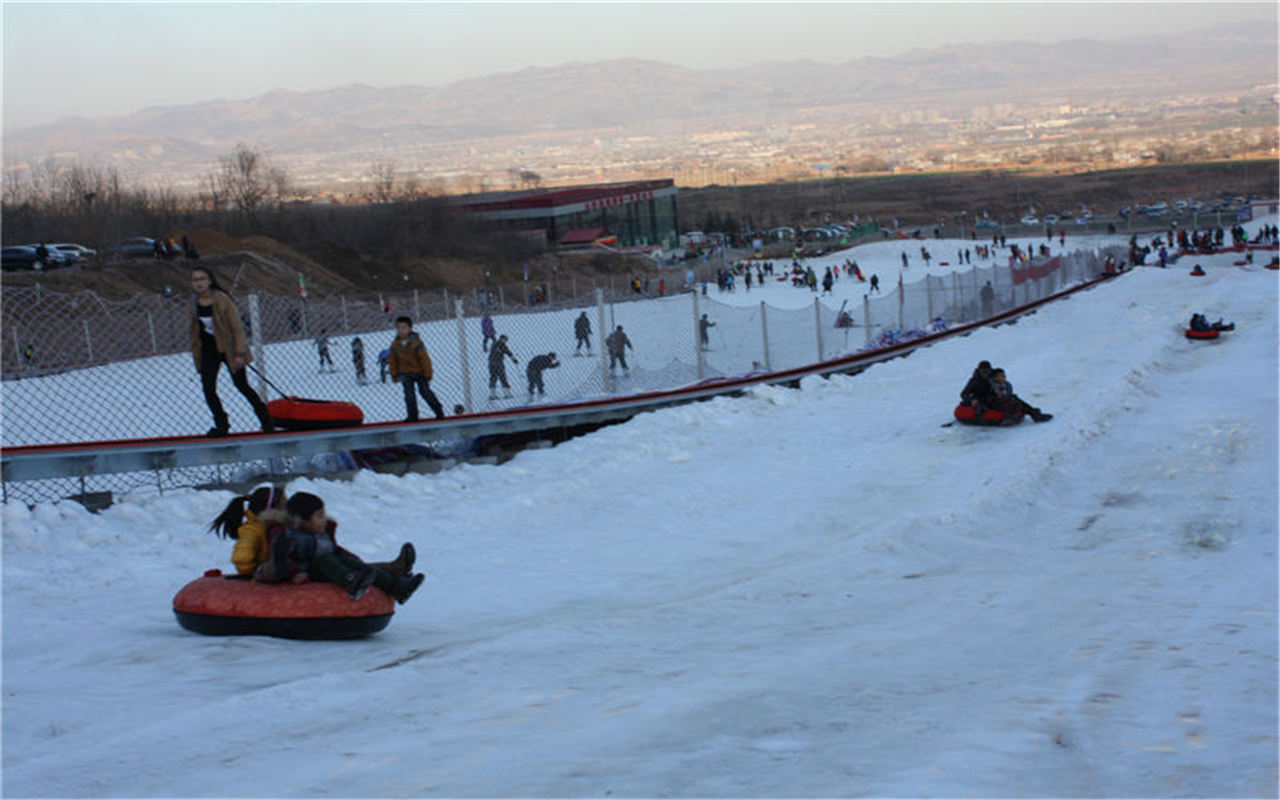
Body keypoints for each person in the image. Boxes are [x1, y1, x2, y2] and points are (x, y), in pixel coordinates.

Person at [267, 492, 425, 604]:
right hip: (308, 572)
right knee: (325, 560)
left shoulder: (322, 535)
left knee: (348, 562)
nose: (324, 520)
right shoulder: (290, 537)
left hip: (330, 568)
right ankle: (351, 582)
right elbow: (280, 559)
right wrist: (294, 573)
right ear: (302, 520)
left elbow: (335, 550)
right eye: (319, 516)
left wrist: (353, 560)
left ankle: (396, 587)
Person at [189, 267, 273, 437]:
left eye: (202, 279)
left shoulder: (222, 299)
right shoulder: (193, 302)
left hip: (229, 348)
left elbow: (236, 327)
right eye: (195, 279)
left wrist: (239, 353)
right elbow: (194, 330)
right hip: (208, 350)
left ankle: (266, 420)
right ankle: (222, 424)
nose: (199, 283)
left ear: (210, 280)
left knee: (241, 385)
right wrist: (197, 355)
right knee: (208, 389)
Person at [388, 316, 445, 421]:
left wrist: (428, 373)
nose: (401, 331)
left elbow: (424, 359)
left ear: (410, 329)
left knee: (425, 392)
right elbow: (392, 360)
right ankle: (413, 415)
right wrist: (394, 373)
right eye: (398, 328)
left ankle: (438, 410)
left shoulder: (416, 342)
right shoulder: (395, 345)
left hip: (420, 372)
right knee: (409, 396)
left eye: (404, 327)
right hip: (405, 373)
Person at [487, 334, 518, 399]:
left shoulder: (494, 344)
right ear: (502, 339)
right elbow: (508, 352)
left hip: (491, 363)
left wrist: (513, 359)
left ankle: (492, 394)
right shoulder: (501, 345)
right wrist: (513, 359)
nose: (506, 341)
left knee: (493, 377)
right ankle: (507, 393)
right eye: (505, 340)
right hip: (498, 363)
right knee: (502, 377)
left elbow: (507, 352)